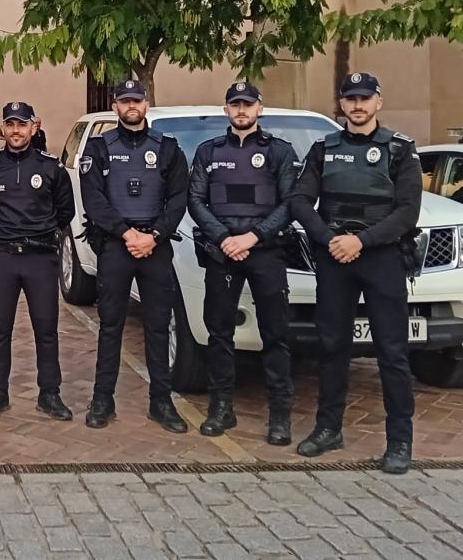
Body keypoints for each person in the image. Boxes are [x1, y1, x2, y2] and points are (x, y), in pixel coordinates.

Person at [290, 72, 422, 475]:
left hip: (380, 258)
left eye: (365, 98)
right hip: (335, 258)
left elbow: (406, 212)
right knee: (332, 348)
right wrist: (330, 238)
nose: (358, 105)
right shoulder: (323, 149)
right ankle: (328, 428)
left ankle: (399, 441)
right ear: (342, 104)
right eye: (351, 98)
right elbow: (298, 200)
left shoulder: (401, 150)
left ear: (378, 102)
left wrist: (360, 242)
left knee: (392, 353)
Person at [188, 82, 298, 445]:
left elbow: (288, 204)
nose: (241, 110)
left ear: (259, 110)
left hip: (265, 251)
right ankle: (222, 407)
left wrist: (253, 237)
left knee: (275, 335)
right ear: (226, 110)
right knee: (220, 333)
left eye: (247, 105)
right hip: (222, 254)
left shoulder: (279, 152)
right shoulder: (208, 152)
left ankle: (279, 415)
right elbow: (196, 201)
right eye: (234, 104)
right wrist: (224, 239)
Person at [80, 79, 189, 433]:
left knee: (157, 326)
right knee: (111, 325)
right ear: (115, 105)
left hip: (155, 247)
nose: (131, 106)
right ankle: (102, 399)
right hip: (117, 245)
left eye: (137, 100)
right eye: (125, 100)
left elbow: (178, 198)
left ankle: (162, 402)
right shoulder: (98, 148)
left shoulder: (169, 149)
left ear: (146, 104)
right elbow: (94, 199)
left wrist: (154, 235)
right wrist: (128, 234)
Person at [0, 101, 75, 421]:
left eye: (22, 124)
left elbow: (65, 211)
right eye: (10, 124)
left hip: (40, 258)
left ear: (34, 126)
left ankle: (50, 393)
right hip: (2, 258)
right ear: (3, 128)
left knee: (46, 329)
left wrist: (40, 232)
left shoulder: (51, 167)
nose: (16, 130)